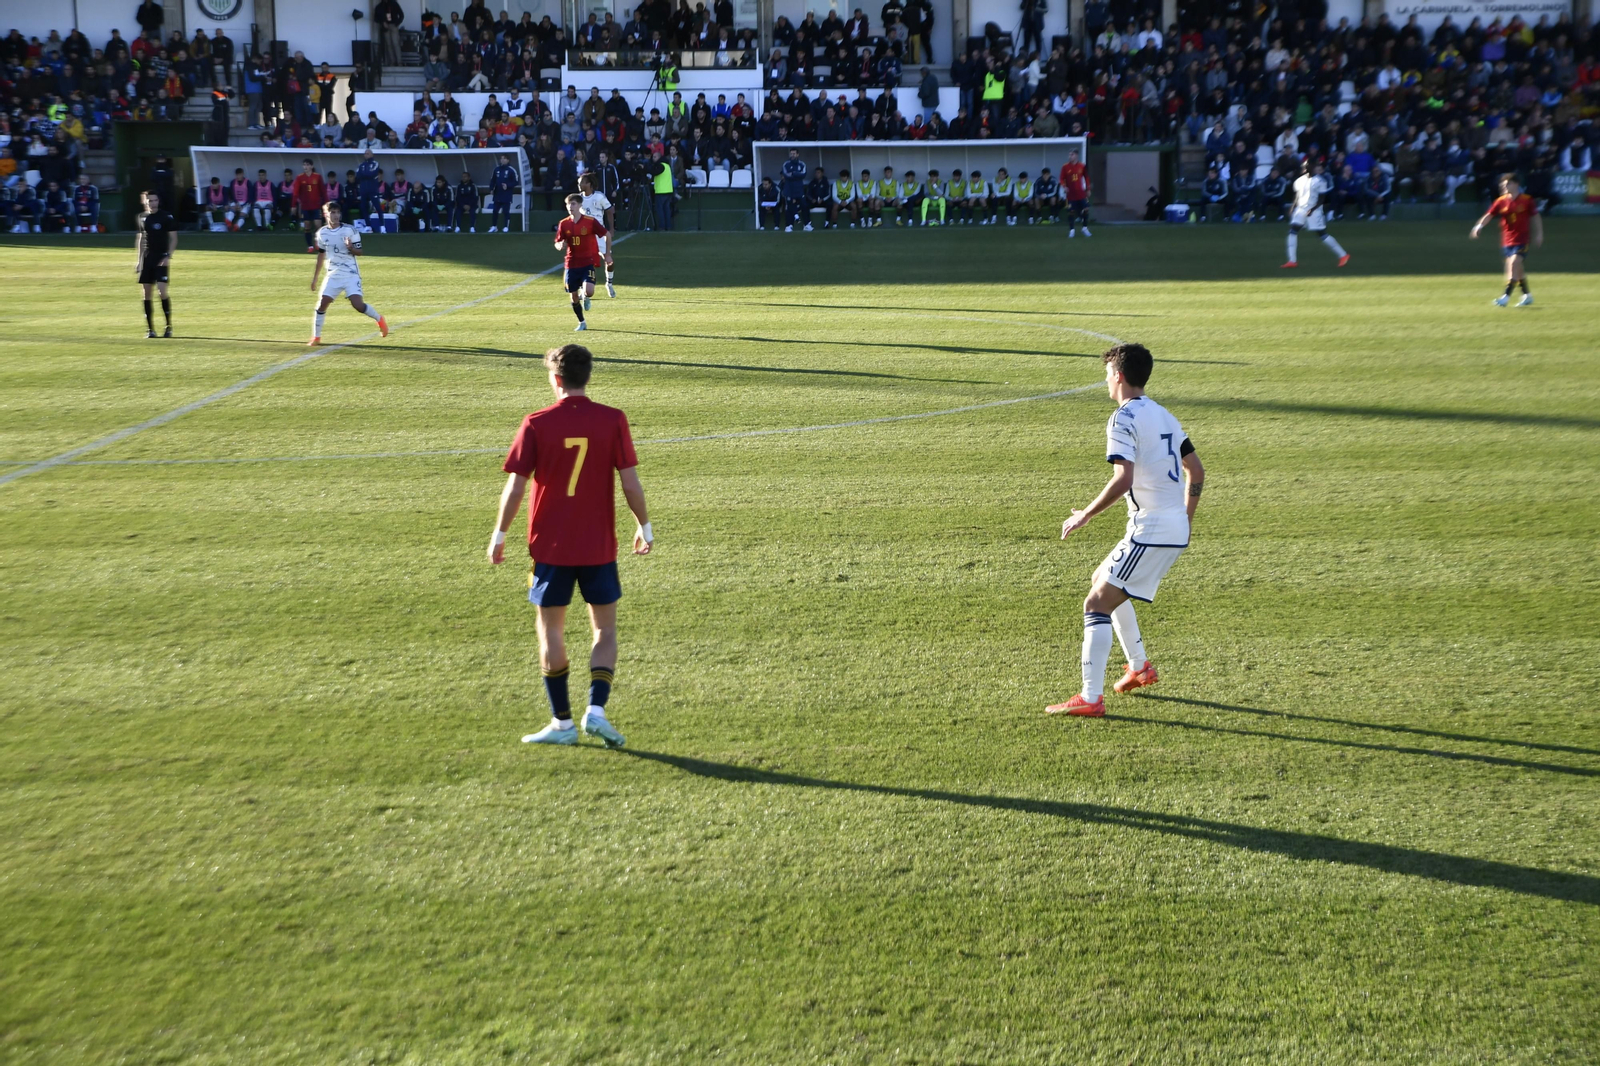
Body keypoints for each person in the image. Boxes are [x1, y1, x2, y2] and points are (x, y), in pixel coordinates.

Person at [488, 342, 652, 748]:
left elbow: (515, 486)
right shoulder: (613, 419)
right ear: (588, 377)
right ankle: (596, 710)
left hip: (551, 549)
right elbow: (630, 481)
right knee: (605, 629)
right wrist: (644, 525)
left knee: (551, 633)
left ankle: (562, 723)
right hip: (599, 547)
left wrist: (499, 533)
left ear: (555, 379)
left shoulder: (536, 422)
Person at [1046, 343, 1204, 717]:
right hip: (1170, 527)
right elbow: (1195, 471)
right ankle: (1138, 666)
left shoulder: (1123, 418)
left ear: (1117, 375)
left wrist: (1086, 513)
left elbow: (1123, 478)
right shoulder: (1165, 415)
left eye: (1106, 374)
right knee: (1103, 578)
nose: (1105, 380)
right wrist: (1185, 520)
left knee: (1095, 603)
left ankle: (1090, 698)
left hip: (1150, 530)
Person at [308, 201, 388, 345]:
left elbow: (360, 252)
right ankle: (316, 337)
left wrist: (350, 248)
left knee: (358, 305)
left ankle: (379, 319)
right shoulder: (322, 233)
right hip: (332, 274)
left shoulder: (350, 230)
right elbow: (321, 254)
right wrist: (315, 279)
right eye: (332, 212)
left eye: (338, 212)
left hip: (350, 273)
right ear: (326, 214)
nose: (336, 215)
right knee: (322, 304)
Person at [1471, 173, 1541, 307]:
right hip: (1507, 240)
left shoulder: (1527, 200)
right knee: (1517, 269)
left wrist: (1539, 234)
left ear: (1516, 184)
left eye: (1507, 184)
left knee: (1514, 264)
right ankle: (1527, 295)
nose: (1504, 186)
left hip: (1522, 239)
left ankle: (1505, 297)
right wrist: (1478, 226)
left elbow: (1536, 216)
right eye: (1503, 185)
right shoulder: (1500, 201)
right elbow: (1489, 215)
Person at [1283, 159, 1350, 269]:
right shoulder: (1300, 180)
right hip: (1301, 209)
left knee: (1322, 234)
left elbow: (1322, 198)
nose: (1303, 168)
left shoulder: (1320, 181)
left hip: (1315, 212)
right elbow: (1298, 195)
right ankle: (1292, 261)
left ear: (1311, 168)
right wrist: (1292, 207)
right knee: (1293, 231)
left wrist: (1313, 209)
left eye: (1305, 166)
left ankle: (1343, 255)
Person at [555, 192, 607, 331]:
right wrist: (559, 245)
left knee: (589, 291)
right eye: (568, 204)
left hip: (587, 262)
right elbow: (558, 240)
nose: (570, 206)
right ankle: (582, 322)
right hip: (571, 264)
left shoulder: (590, 221)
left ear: (579, 205)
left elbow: (605, 233)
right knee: (573, 296)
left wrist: (607, 253)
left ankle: (585, 295)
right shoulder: (564, 224)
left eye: (573, 204)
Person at [134, 190, 176, 338]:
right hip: (147, 259)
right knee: (146, 294)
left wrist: (168, 256)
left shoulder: (166, 217)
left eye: (154, 200)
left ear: (159, 201)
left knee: (162, 292)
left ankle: (168, 326)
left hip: (161, 258)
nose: (152, 203)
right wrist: (139, 261)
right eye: (149, 201)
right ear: (145, 202)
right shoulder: (142, 218)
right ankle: (150, 330)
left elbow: (174, 238)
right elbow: (140, 240)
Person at [578, 173, 617, 298]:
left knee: (608, 260)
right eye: (579, 182)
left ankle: (609, 283)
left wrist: (611, 229)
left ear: (589, 184)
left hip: (599, 233)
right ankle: (581, 289)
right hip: (584, 235)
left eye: (582, 182)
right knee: (580, 262)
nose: (580, 184)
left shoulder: (599, 197)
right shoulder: (578, 199)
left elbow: (610, 210)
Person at [291, 158, 326, 249]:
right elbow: (295, 192)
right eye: (304, 165)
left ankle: (317, 242)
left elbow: (323, 192)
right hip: (305, 206)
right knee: (307, 226)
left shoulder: (317, 177)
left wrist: (327, 204)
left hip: (316, 205)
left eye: (307, 165)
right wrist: (293, 205)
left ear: (311, 166)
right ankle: (310, 246)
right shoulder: (299, 178)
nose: (305, 167)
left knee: (318, 224)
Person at [1060, 149, 1090, 236]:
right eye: (1069, 155)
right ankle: (1072, 230)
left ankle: (1084, 228)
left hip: (1081, 193)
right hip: (1071, 194)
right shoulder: (1065, 167)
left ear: (1076, 155)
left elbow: (1086, 177)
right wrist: (1064, 187)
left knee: (1086, 209)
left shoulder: (1082, 166)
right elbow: (1061, 178)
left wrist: (1088, 189)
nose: (1070, 156)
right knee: (1071, 211)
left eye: (1072, 155)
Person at [489, 153, 520, 232]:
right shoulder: (496, 169)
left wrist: (508, 185)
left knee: (506, 211)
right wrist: (491, 189)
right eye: (501, 158)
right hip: (497, 194)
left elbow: (516, 181)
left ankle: (506, 226)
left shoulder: (511, 170)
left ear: (508, 160)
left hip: (506, 194)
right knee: (495, 211)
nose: (502, 160)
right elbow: (492, 180)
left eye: (504, 158)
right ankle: (494, 226)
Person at [779, 148, 808, 232]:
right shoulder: (786, 164)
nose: (792, 155)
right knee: (789, 208)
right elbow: (786, 175)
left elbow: (803, 174)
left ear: (797, 154)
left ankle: (806, 224)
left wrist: (793, 173)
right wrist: (796, 175)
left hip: (799, 189)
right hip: (789, 189)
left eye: (794, 154)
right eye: (791, 154)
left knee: (804, 206)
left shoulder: (802, 164)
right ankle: (789, 225)